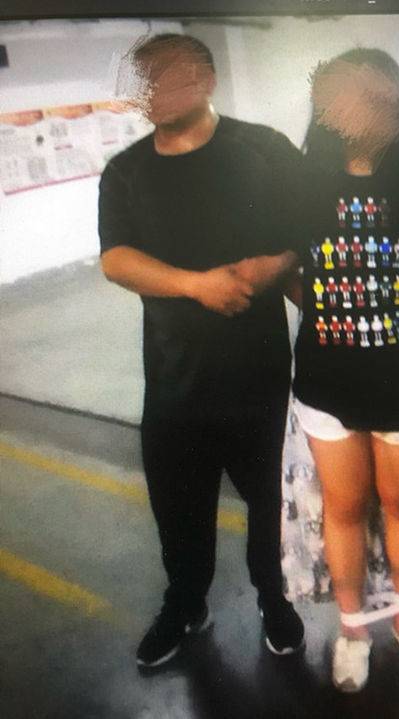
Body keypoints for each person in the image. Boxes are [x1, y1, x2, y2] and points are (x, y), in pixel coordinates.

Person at [98, 33, 304, 668]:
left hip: (259, 377)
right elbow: (116, 258)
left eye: (167, 76)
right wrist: (197, 285)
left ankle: (275, 599)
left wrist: (269, 269)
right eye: (143, 81)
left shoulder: (263, 148)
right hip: (173, 381)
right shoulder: (126, 171)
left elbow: (301, 232)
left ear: (206, 80)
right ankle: (185, 603)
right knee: (178, 509)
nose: (152, 92)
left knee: (270, 503)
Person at [287, 48, 399, 692]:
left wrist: (384, 312)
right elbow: (288, 273)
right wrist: (335, 311)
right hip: (326, 376)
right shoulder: (299, 183)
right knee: (343, 507)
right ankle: (353, 629)